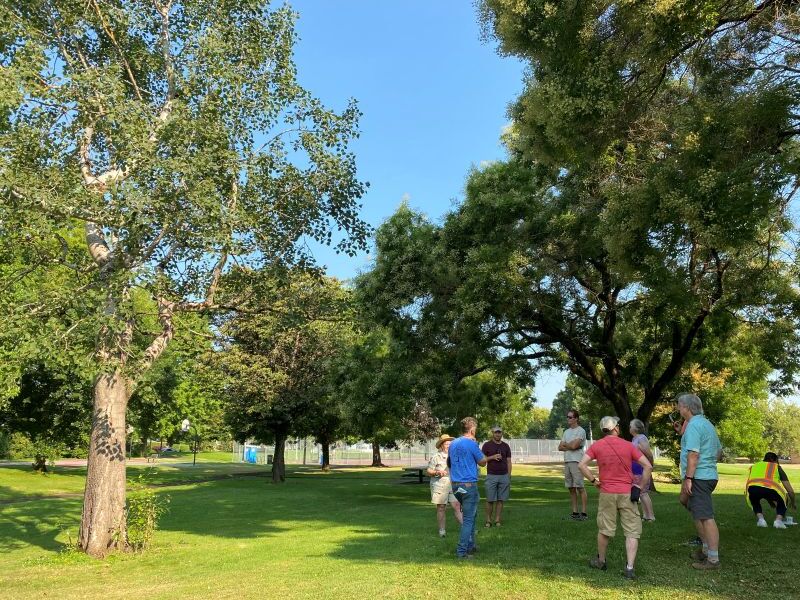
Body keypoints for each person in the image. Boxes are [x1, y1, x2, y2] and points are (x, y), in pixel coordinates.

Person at [578, 416, 652, 581]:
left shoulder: (597, 446)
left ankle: (601, 561)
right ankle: (630, 568)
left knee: (605, 528)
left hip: (606, 493)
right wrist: (640, 487)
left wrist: (594, 481)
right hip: (627, 493)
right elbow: (648, 465)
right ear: (616, 428)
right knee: (632, 530)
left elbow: (581, 465)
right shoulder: (628, 445)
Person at [675, 392, 722, 570]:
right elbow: (719, 451)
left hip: (699, 477)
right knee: (689, 505)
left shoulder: (694, 425)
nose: (679, 408)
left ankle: (713, 559)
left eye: (680, 405)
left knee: (705, 517)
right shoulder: (706, 424)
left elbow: (693, 454)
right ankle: (705, 549)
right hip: (707, 475)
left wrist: (689, 478)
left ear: (686, 407)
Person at [448, 417, 502, 559]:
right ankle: (462, 552)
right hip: (468, 485)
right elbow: (482, 462)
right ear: (472, 429)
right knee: (468, 520)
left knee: (470, 516)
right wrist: (486, 455)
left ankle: (471, 546)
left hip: (455, 485)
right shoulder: (471, 443)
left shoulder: (453, 443)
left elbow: (450, 462)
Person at [746, 452, 797, 529]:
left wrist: (770, 500)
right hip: (770, 488)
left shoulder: (755, 466)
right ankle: (778, 521)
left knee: (755, 501)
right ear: (773, 459)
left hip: (752, 488)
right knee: (783, 499)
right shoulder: (776, 467)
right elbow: (789, 490)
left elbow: (761, 486)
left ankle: (761, 520)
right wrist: (792, 502)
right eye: (777, 460)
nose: (778, 462)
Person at [427, 434, 464, 537]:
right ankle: (442, 531)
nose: (448, 445)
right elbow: (429, 471)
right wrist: (437, 472)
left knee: (457, 506)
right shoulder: (436, 457)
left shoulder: (456, 456)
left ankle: (466, 529)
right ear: (442, 445)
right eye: (446, 443)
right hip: (440, 485)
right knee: (441, 507)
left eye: (450, 443)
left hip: (454, 484)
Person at [559, 408, 588, 520]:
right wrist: (569, 444)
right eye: (567, 417)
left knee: (580, 487)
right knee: (571, 488)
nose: (568, 419)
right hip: (567, 461)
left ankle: (584, 513)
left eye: (570, 417)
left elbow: (574, 446)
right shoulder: (566, 432)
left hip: (577, 461)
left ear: (576, 418)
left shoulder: (581, 431)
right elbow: (560, 447)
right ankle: (575, 512)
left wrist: (568, 445)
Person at [482, 425, 512, 527]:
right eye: (496, 432)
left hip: (504, 475)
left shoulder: (506, 446)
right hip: (491, 475)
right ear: (492, 433)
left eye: (499, 432)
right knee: (490, 499)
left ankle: (497, 519)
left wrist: (509, 475)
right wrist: (492, 457)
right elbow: (482, 460)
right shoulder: (487, 445)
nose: (498, 434)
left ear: (501, 433)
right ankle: (488, 520)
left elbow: (509, 462)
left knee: (500, 499)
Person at [629, 419, 656, 522]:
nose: (629, 428)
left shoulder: (641, 438)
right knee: (640, 492)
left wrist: (650, 465)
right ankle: (645, 515)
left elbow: (648, 453)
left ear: (636, 428)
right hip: (635, 469)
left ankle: (651, 516)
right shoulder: (634, 439)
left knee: (643, 492)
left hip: (642, 469)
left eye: (631, 426)